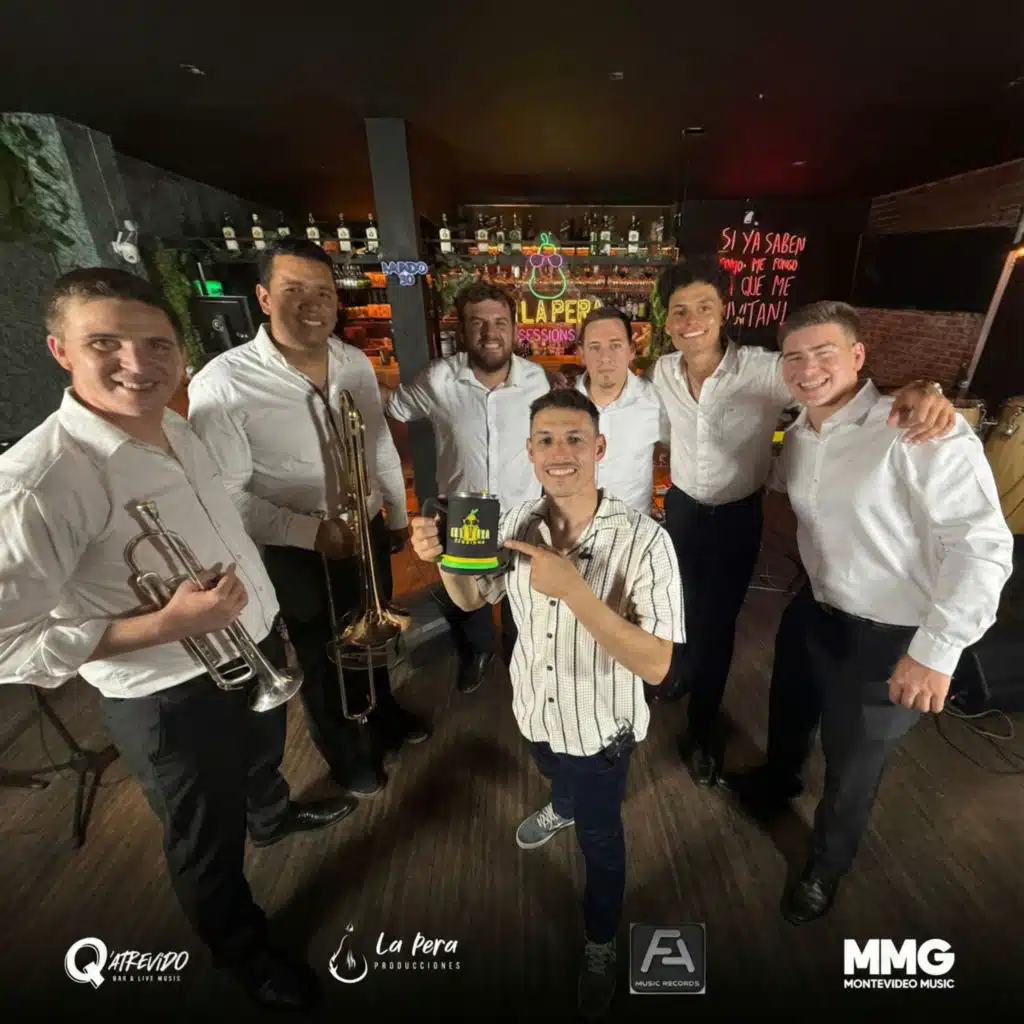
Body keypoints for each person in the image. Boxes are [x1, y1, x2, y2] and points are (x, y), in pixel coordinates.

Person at [0, 268, 356, 1011]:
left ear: (179, 352)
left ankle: (274, 819)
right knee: (203, 838)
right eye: (106, 343)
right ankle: (243, 951)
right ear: (61, 351)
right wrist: (163, 626)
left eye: (156, 344)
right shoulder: (38, 481)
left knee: (262, 760)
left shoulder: (178, 425)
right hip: (170, 694)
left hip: (253, 644)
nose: (138, 363)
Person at [727, 300, 1014, 924]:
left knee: (854, 761)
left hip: (890, 633)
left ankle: (825, 866)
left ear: (857, 355)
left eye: (823, 353)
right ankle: (779, 782)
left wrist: (936, 652)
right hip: (816, 608)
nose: (807, 369)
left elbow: (983, 547)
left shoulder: (918, 428)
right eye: (794, 357)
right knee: (789, 710)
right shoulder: (798, 437)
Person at [408, 388, 683, 1018]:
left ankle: (599, 942)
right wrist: (444, 560)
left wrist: (577, 592)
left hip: (601, 730)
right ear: (529, 452)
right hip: (535, 710)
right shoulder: (513, 525)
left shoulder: (647, 541)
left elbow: (658, 664)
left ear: (600, 448)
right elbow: (473, 598)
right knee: (551, 770)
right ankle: (560, 804)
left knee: (600, 842)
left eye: (575, 438)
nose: (561, 452)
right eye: (547, 440)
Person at [651, 255, 958, 785]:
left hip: (734, 516)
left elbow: (831, 383)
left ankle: (702, 728)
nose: (691, 320)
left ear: (724, 312)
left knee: (718, 624)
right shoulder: (662, 371)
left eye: (704, 306)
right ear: (667, 320)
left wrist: (921, 389)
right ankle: (680, 673)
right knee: (672, 606)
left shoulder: (764, 369)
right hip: (679, 507)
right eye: (679, 310)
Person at [187, 238, 429, 799]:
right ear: (263, 298)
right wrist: (308, 531)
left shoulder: (353, 362)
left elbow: (377, 446)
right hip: (296, 546)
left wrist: (396, 511)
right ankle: (345, 753)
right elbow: (223, 495)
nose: (313, 304)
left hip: (365, 526)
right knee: (321, 652)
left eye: (323, 292)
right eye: (294, 290)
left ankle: (382, 713)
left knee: (371, 629)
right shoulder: (223, 383)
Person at [385, 280, 550, 690]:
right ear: (462, 329)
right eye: (478, 323)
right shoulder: (439, 378)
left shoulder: (539, 382)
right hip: (464, 513)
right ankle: (478, 652)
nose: (490, 333)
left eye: (500, 322)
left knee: (522, 598)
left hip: (523, 513)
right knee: (468, 600)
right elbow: (395, 408)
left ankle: (519, 657)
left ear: (514, 328)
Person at [573, 305, 668, 514]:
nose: (605, 357)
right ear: (581, 354)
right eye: (595, 347)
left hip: (632, 527)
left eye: (615, 345)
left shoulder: (655, 400)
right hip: (574, 527)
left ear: (631, 350)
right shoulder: (563, 405)